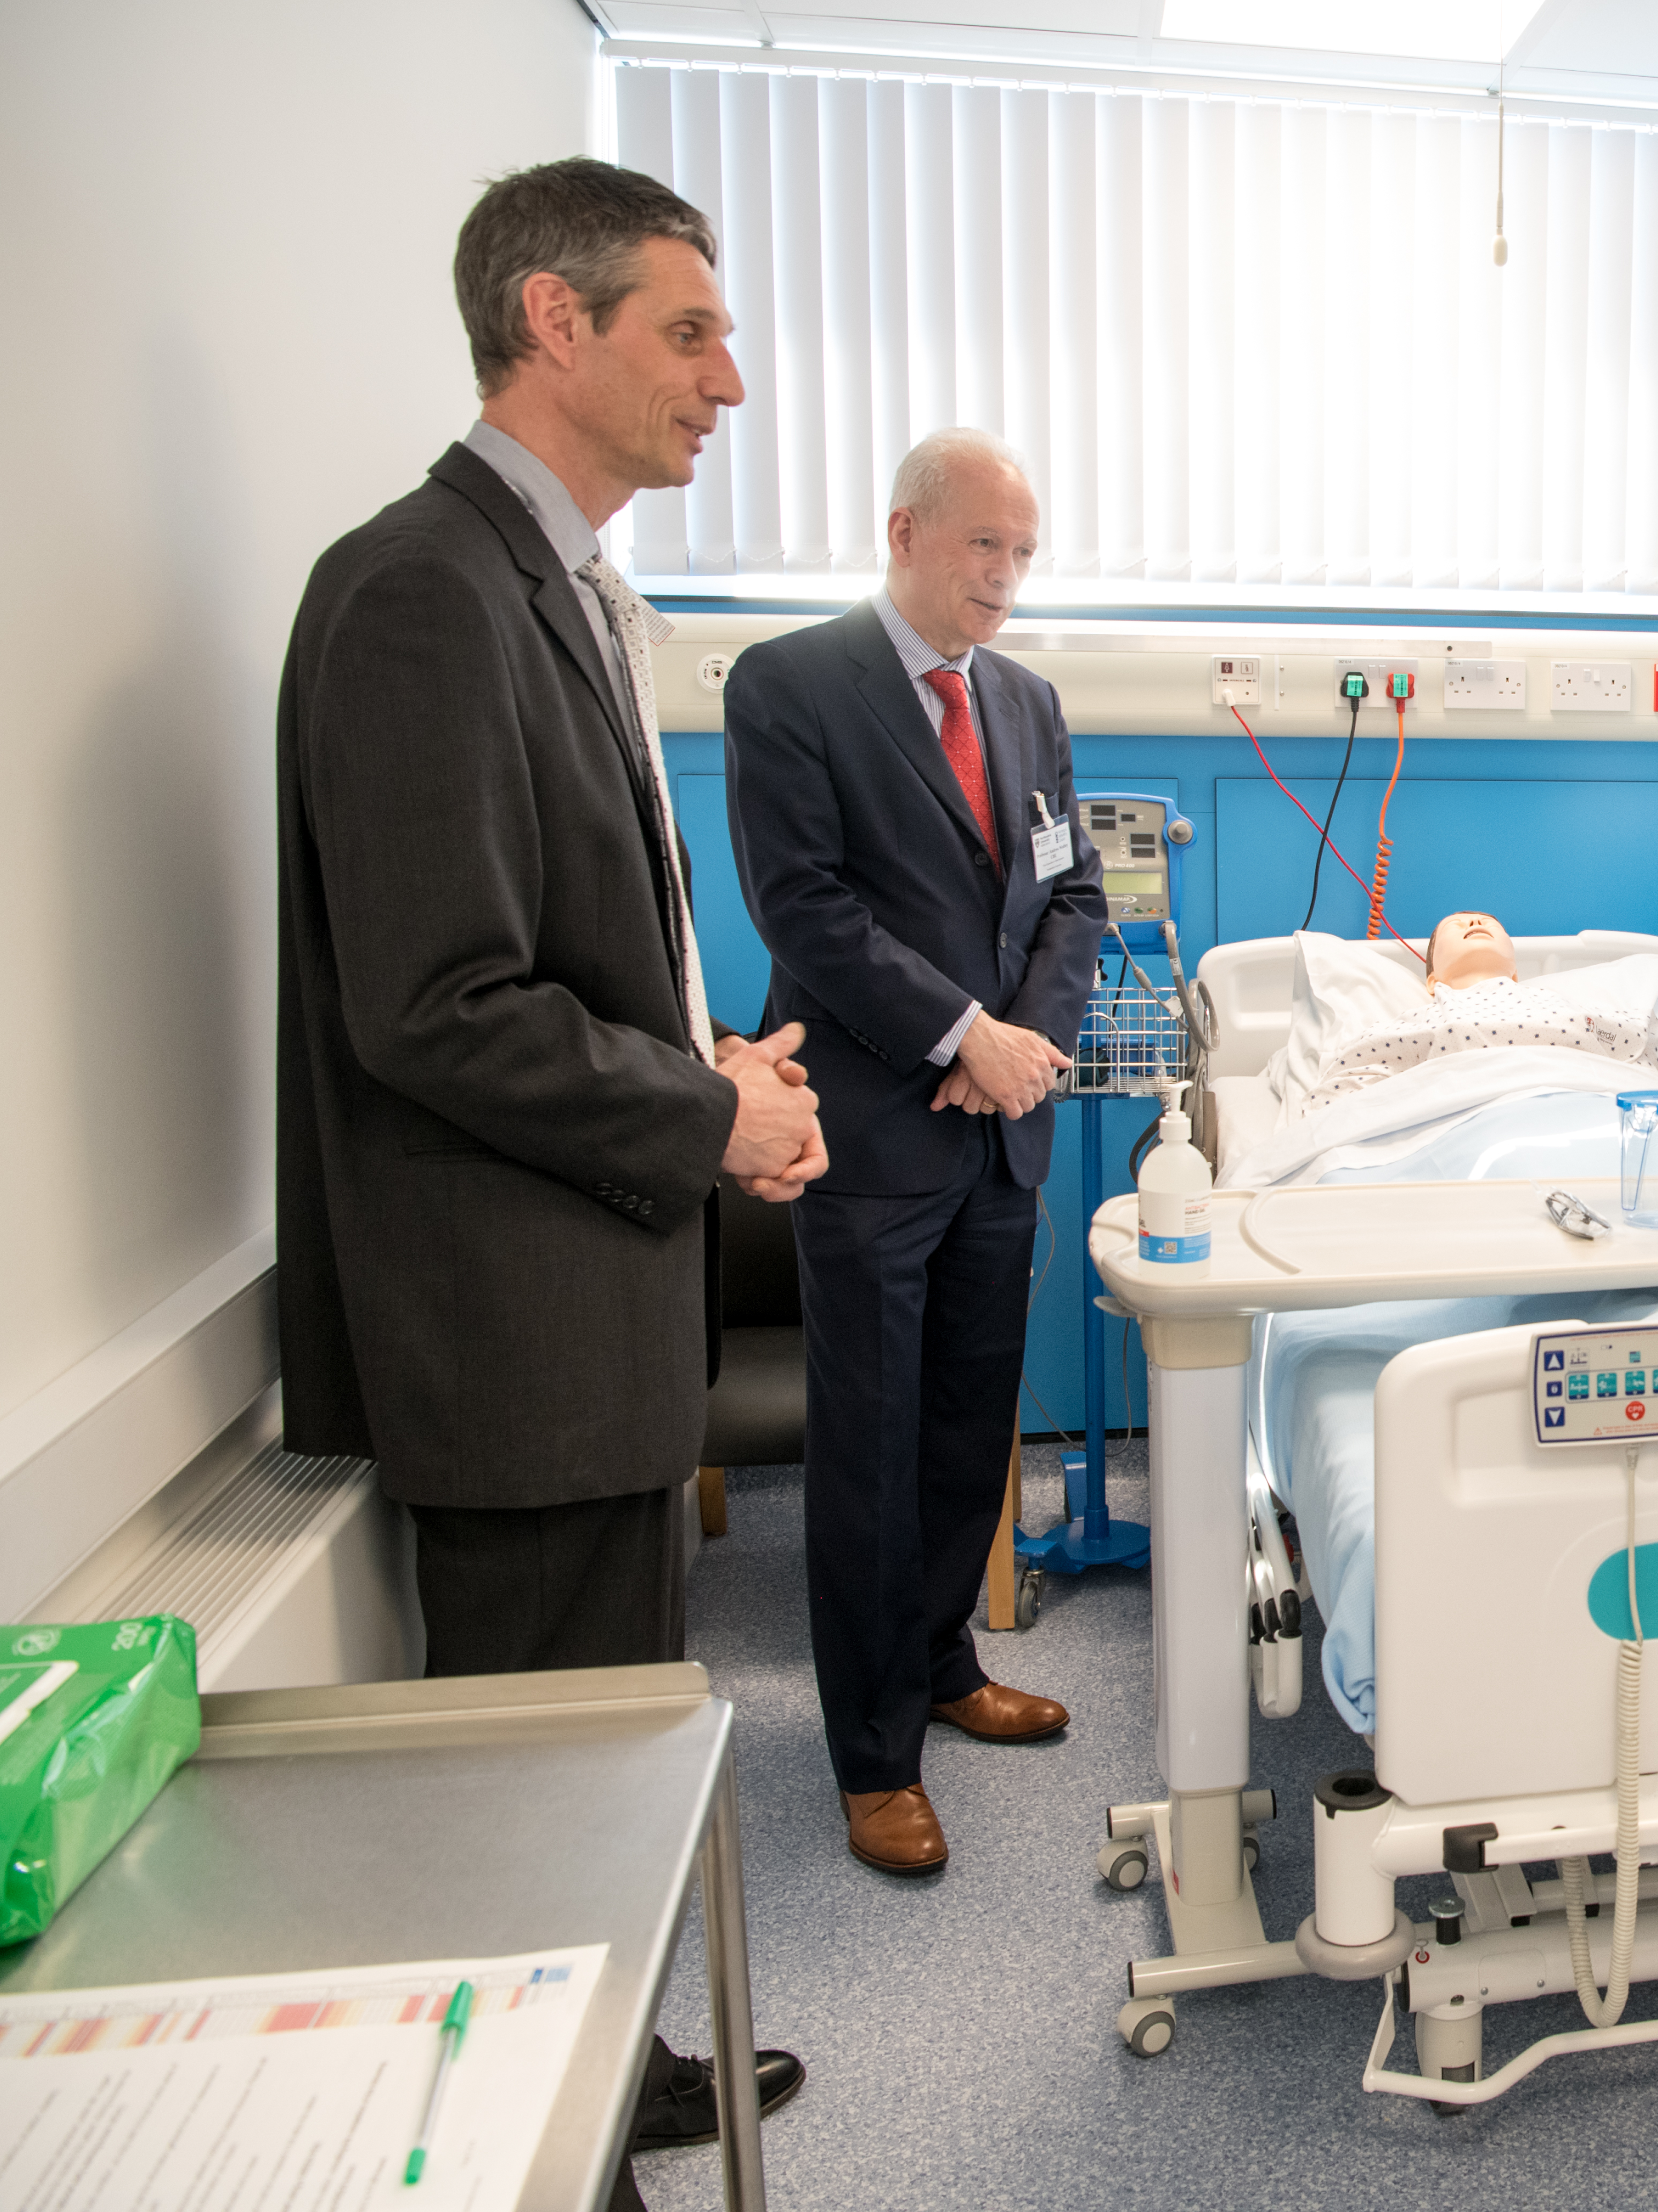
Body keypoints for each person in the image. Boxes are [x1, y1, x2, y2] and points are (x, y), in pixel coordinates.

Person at [275, 156, 814, 2195]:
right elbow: (438, 1006)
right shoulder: (423, 593)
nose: (728, 381)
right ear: (551, 319)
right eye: (690, 331)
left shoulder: (555, 588)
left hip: (589, 1311)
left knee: (595, 1771)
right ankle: (542, 2150)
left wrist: (708, 1063)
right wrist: (705, 1122)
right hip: (510, 1339)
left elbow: (573, 952)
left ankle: (614, 2059)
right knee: (522, 1803)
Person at [724, 428, 1107, 1876]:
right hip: (877, 1133)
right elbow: (804, 907)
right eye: (982, 546)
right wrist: (961, 1035)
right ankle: (874, 1752)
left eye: (1023, 552)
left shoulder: (1027, 701)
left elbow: (1072, 900)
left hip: (1000, 1132)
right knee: (872, 1451)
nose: (1005, 576)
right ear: (904, 533)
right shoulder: (791, 686)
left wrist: (1021, 1045)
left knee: (964, 1424)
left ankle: (944, 1665)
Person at [1284, 912, 1658, 1116]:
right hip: (1468, 1118)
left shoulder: (1562, 1006)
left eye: (1489, 923)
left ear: (1516, 975)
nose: (1474, 922)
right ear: (1432, 981)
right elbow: (1351, 1083)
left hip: (1573, 1108)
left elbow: (1635, 1047)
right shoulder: (1422, 1020)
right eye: (1456, 925)